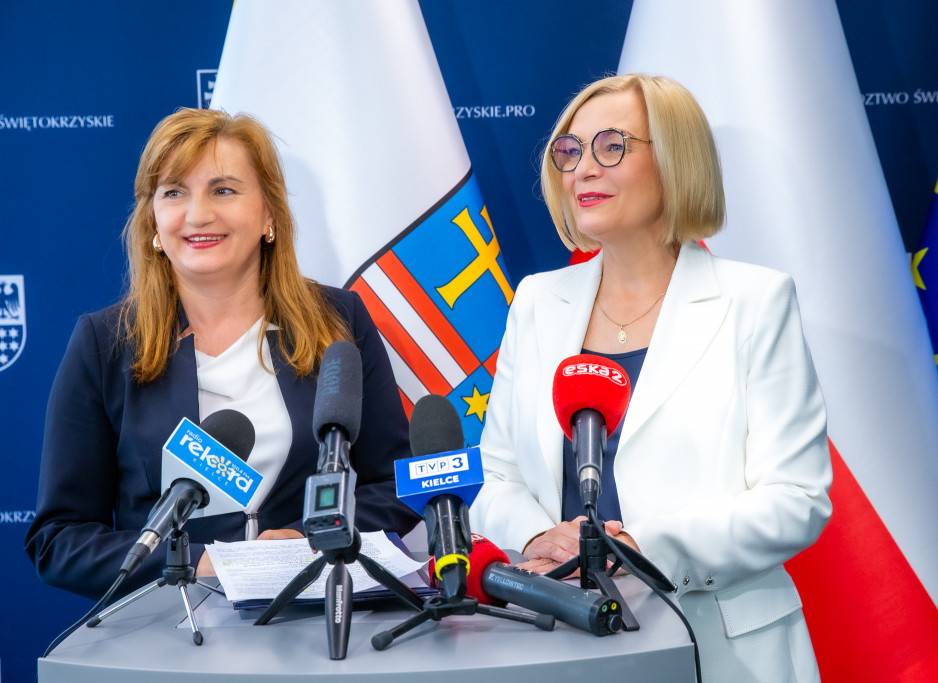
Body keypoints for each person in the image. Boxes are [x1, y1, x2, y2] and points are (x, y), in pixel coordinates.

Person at [468, 74, 832, 681]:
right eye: (569, 151)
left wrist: (642, 548)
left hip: (720, 649)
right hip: (558, 639)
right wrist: (538, 538)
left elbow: (797, 499)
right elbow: (498, 476)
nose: (584, 169)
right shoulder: (537, 301)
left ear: (674, 161)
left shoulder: (755, 301)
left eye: (611, 146)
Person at [25, 108, 421, 601]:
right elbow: (59, 540)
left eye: (224, 190)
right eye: (174, 192)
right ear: (153, 220)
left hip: (313, 612)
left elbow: (394, 485)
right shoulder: (104, 343)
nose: (198, 215)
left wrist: (307, 541)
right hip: (169, 625)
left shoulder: (340, 320)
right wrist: (197, 562)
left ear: (269, 213)